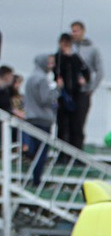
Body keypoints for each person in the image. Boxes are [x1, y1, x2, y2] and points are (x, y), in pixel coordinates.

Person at [21, 54, 57, 184]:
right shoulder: (42, 79)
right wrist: (57, 90)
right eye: (49, 63)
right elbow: (46, 99)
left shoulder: (30, 78)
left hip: (30, 118)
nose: (51, 66)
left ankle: (31, 179)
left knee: (34, 152)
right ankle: (36, 180)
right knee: (41, 153)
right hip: (42, 119)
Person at [53, 31, 89, 150]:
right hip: (62, 96)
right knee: (62, 126)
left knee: (76, 126)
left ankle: (77, 152)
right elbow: (54, 73)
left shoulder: (75, 58)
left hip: (75, 95)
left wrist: (83, 79)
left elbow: (86, 72)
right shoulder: (57, 58)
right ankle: (61, 153)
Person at [67, 22, 100, 147]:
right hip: (69, 91)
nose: (74, 33)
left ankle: (77, 151)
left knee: (78, 124)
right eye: (72, 31)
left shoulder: (92, 49)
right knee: (66, 124)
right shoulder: (68, 47)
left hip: (83, 92)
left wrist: (91, 88)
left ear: (83, 31)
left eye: (76, 31)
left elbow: (99, 70)